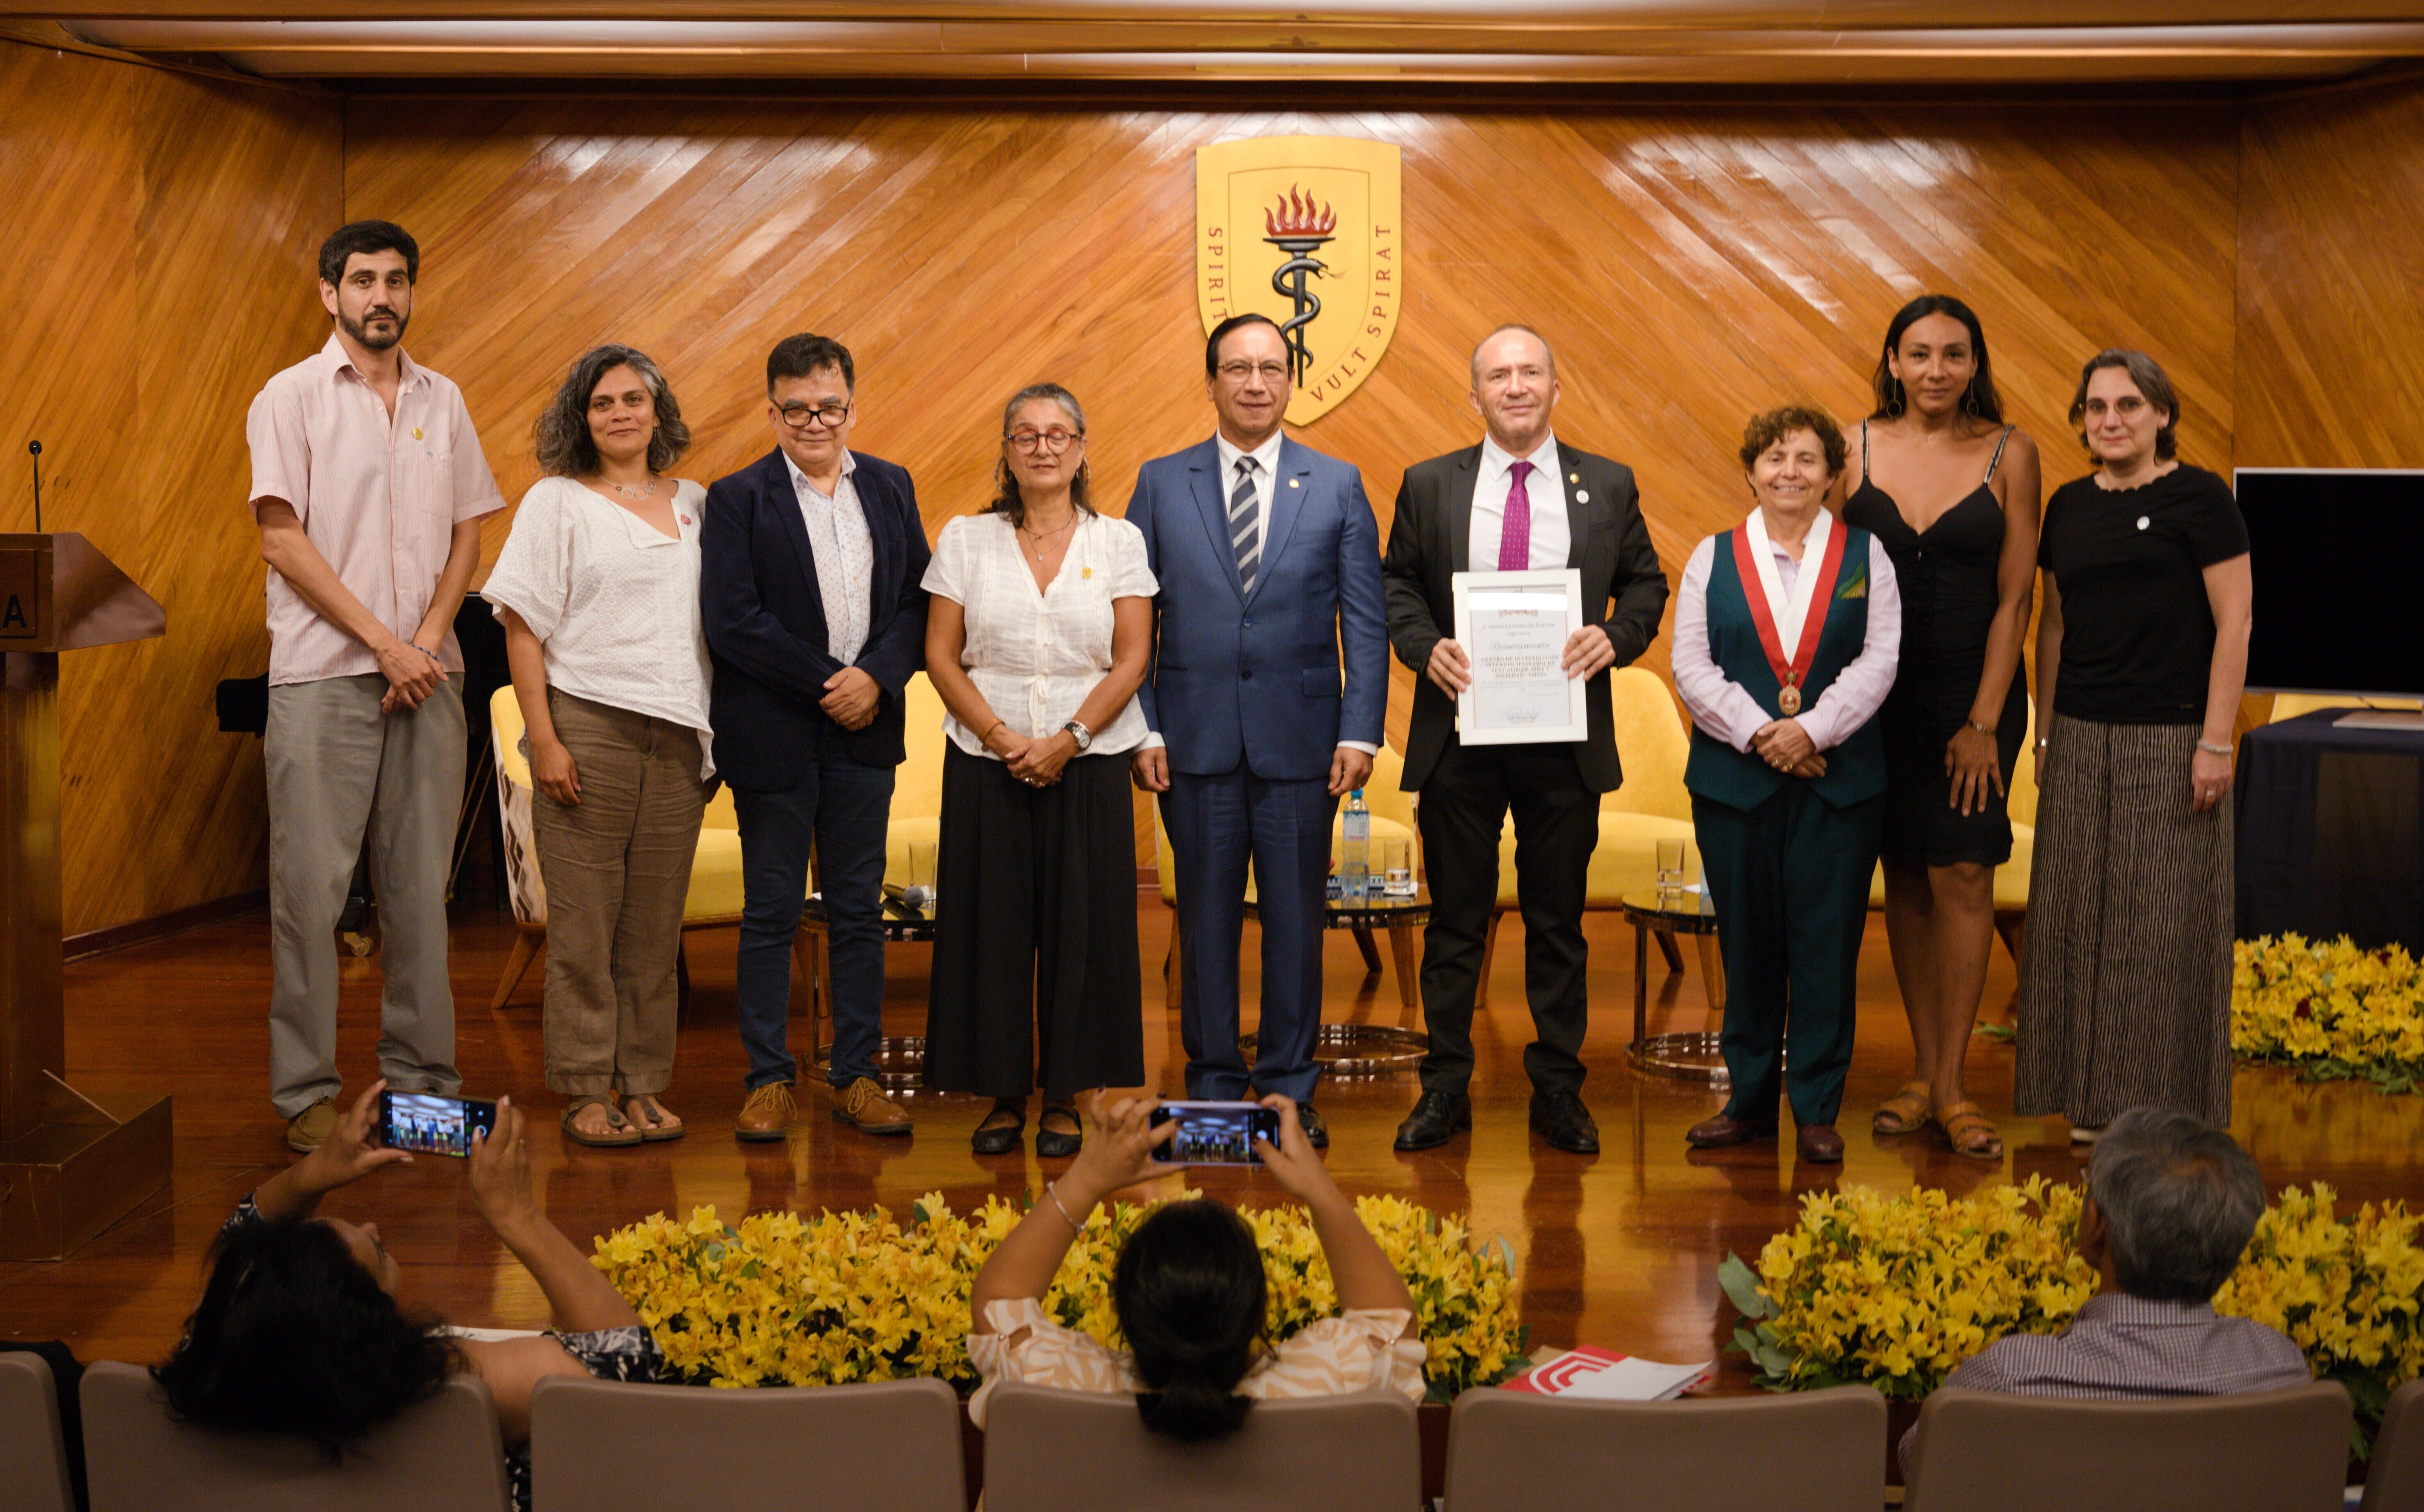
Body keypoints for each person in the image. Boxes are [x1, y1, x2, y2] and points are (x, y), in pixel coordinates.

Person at [246, 220, 504, 1152]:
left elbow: (469, 531)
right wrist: (383, 645)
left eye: (397, 279)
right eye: (363, 280)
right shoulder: (291, 397)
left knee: (418, 891)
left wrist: (426, 642)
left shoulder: (445, 397)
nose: (381, 295)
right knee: (311, 896)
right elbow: (283, 537)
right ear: (330, 294)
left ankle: (424, 1087)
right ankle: (308, 1091)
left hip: (430, 676)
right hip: (327, 676)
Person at [1383, 324, 1669, 1156]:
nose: (1515, 386)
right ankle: (1443, 1090)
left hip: (1563, 733)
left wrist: (1616, 636)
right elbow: (1397, 580)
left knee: (1557, 922)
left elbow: (1646, 581)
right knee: (1455, 923)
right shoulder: (1430, 483)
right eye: (1498, 375)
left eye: (1530, 372)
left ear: (1555, 387)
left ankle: (1558, 1093)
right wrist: (1421, 643)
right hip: (1460, 732)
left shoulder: (1606, 484)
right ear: (1473, 394)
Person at [1125, 314, 1389, 1147]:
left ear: (1290, 381)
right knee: (1202, 923)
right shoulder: (1162, 482)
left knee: (1295, 924)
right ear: (1210, 381)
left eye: (1271, 368)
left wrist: (1362, 731)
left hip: (1303, 747)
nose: (1254, 383)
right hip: (1193, 743)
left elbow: (1367, 624)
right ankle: (1209, 1088)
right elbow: (1130, 623)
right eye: (1237, 368)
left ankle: (1285, 1084)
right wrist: (1144, 729)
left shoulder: (1339, 482)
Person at [153, 1084, 659, 1511]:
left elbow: (240, 1249)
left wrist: (313, 1173)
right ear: (364, 1322)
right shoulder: (436, 1393)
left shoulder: (223, 1362)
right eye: (375, 1247)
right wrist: (518, 1214)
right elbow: (625, 1365)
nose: (375, 1225)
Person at [701, 333, 931, 1141]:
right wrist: (832, 681)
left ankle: (856, 1074)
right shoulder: (735, 499)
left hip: (867, 733)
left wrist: (876, 678)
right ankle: (768, 1079)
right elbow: (733, 622)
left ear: (851, 407)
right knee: (769, 910)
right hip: (775, 738)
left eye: (827, 406)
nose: (813, 420)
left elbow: (917, 602)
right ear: (772, 411)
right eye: (795, 408)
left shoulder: (893, 487)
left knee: (859, 911)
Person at [2017, 350, 2251, 1139]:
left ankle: (2155, 1110)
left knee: (2158, 929)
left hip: (2175, 736)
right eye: (2095, 407)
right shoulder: (2069, 505)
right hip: (2081, 735)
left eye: (2126, 404)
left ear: (2161, 413)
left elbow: (2236, 623)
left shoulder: (2200, 497)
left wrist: (2217, 741)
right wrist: (2046, 732)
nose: (2109, 420)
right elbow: (2051, 623)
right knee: (2072, 925)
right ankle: (2085, 1104)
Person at [483, 345, 711, 1149]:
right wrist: (541, 738)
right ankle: (585, 1091)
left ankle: (644, 1084)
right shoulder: (555, 503)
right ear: (581, 419)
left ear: (658, 409)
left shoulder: (697, 505)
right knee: (584, 931)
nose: (620, 413)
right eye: (602, 402)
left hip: (680, 742)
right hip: (586, 729)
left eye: (633, 399)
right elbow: (521, 627)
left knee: (653, 934)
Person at [922, 384, 1155, 1157]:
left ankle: (1065, 1096)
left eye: (1059, 434)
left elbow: (1131, 658)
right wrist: (1000, 735)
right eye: (1027, 434)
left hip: (1089, 762)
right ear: (1008, 451)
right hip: (986, 760)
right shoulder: (965, 538)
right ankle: (1001, 1094)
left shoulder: (1117, 541)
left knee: (1084, 933)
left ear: (1082, 448)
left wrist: (1070, 736)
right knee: (992, 929)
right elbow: (939, 655)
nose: (1044, 446)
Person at [1839, 296, 2042, 1162]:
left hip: (1974, 692)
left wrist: (1985, 722)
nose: (1934, 370)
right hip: (1877, 696)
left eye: (1953, 355)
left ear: (1974, 364)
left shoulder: (2011, 451)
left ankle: (1956, 1084)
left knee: (1963, 871)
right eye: (1918, 354)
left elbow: (2016, 596)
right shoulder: (1852, 446)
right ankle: (1922, 1075)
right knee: (1908, 879)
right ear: (1891, 361)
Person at [1676, 408, 1900, 1165]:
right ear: (1750, 470)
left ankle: (1815, 1106)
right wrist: (1762, 734)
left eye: (1808, 459)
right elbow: (1691, 666)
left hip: (1838, 786)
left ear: (1833, 474)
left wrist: (1813, 730)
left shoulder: (1868, 557)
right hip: (1736, 785)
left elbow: (1879, 659)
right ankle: (1745, 1101)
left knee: (1825, 947)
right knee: (1748, 944)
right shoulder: (1712, 556)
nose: (1791, 473)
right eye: (1775, 458)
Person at [965, 1092, 1426, 1437]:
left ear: (1124, 1310)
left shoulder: (1053, 1383)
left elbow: (1000, 1301)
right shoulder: (1332, 1380)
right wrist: (1319, 1191)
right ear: (1258, 1311)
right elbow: (1391, 1326)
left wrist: (1087, 1179)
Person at [1898, 1106, 2310, 1476]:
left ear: (2095, 1223)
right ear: (2235, 1240)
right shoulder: (2279, 1368)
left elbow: (1919, 1461)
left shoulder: (2011, 1377)